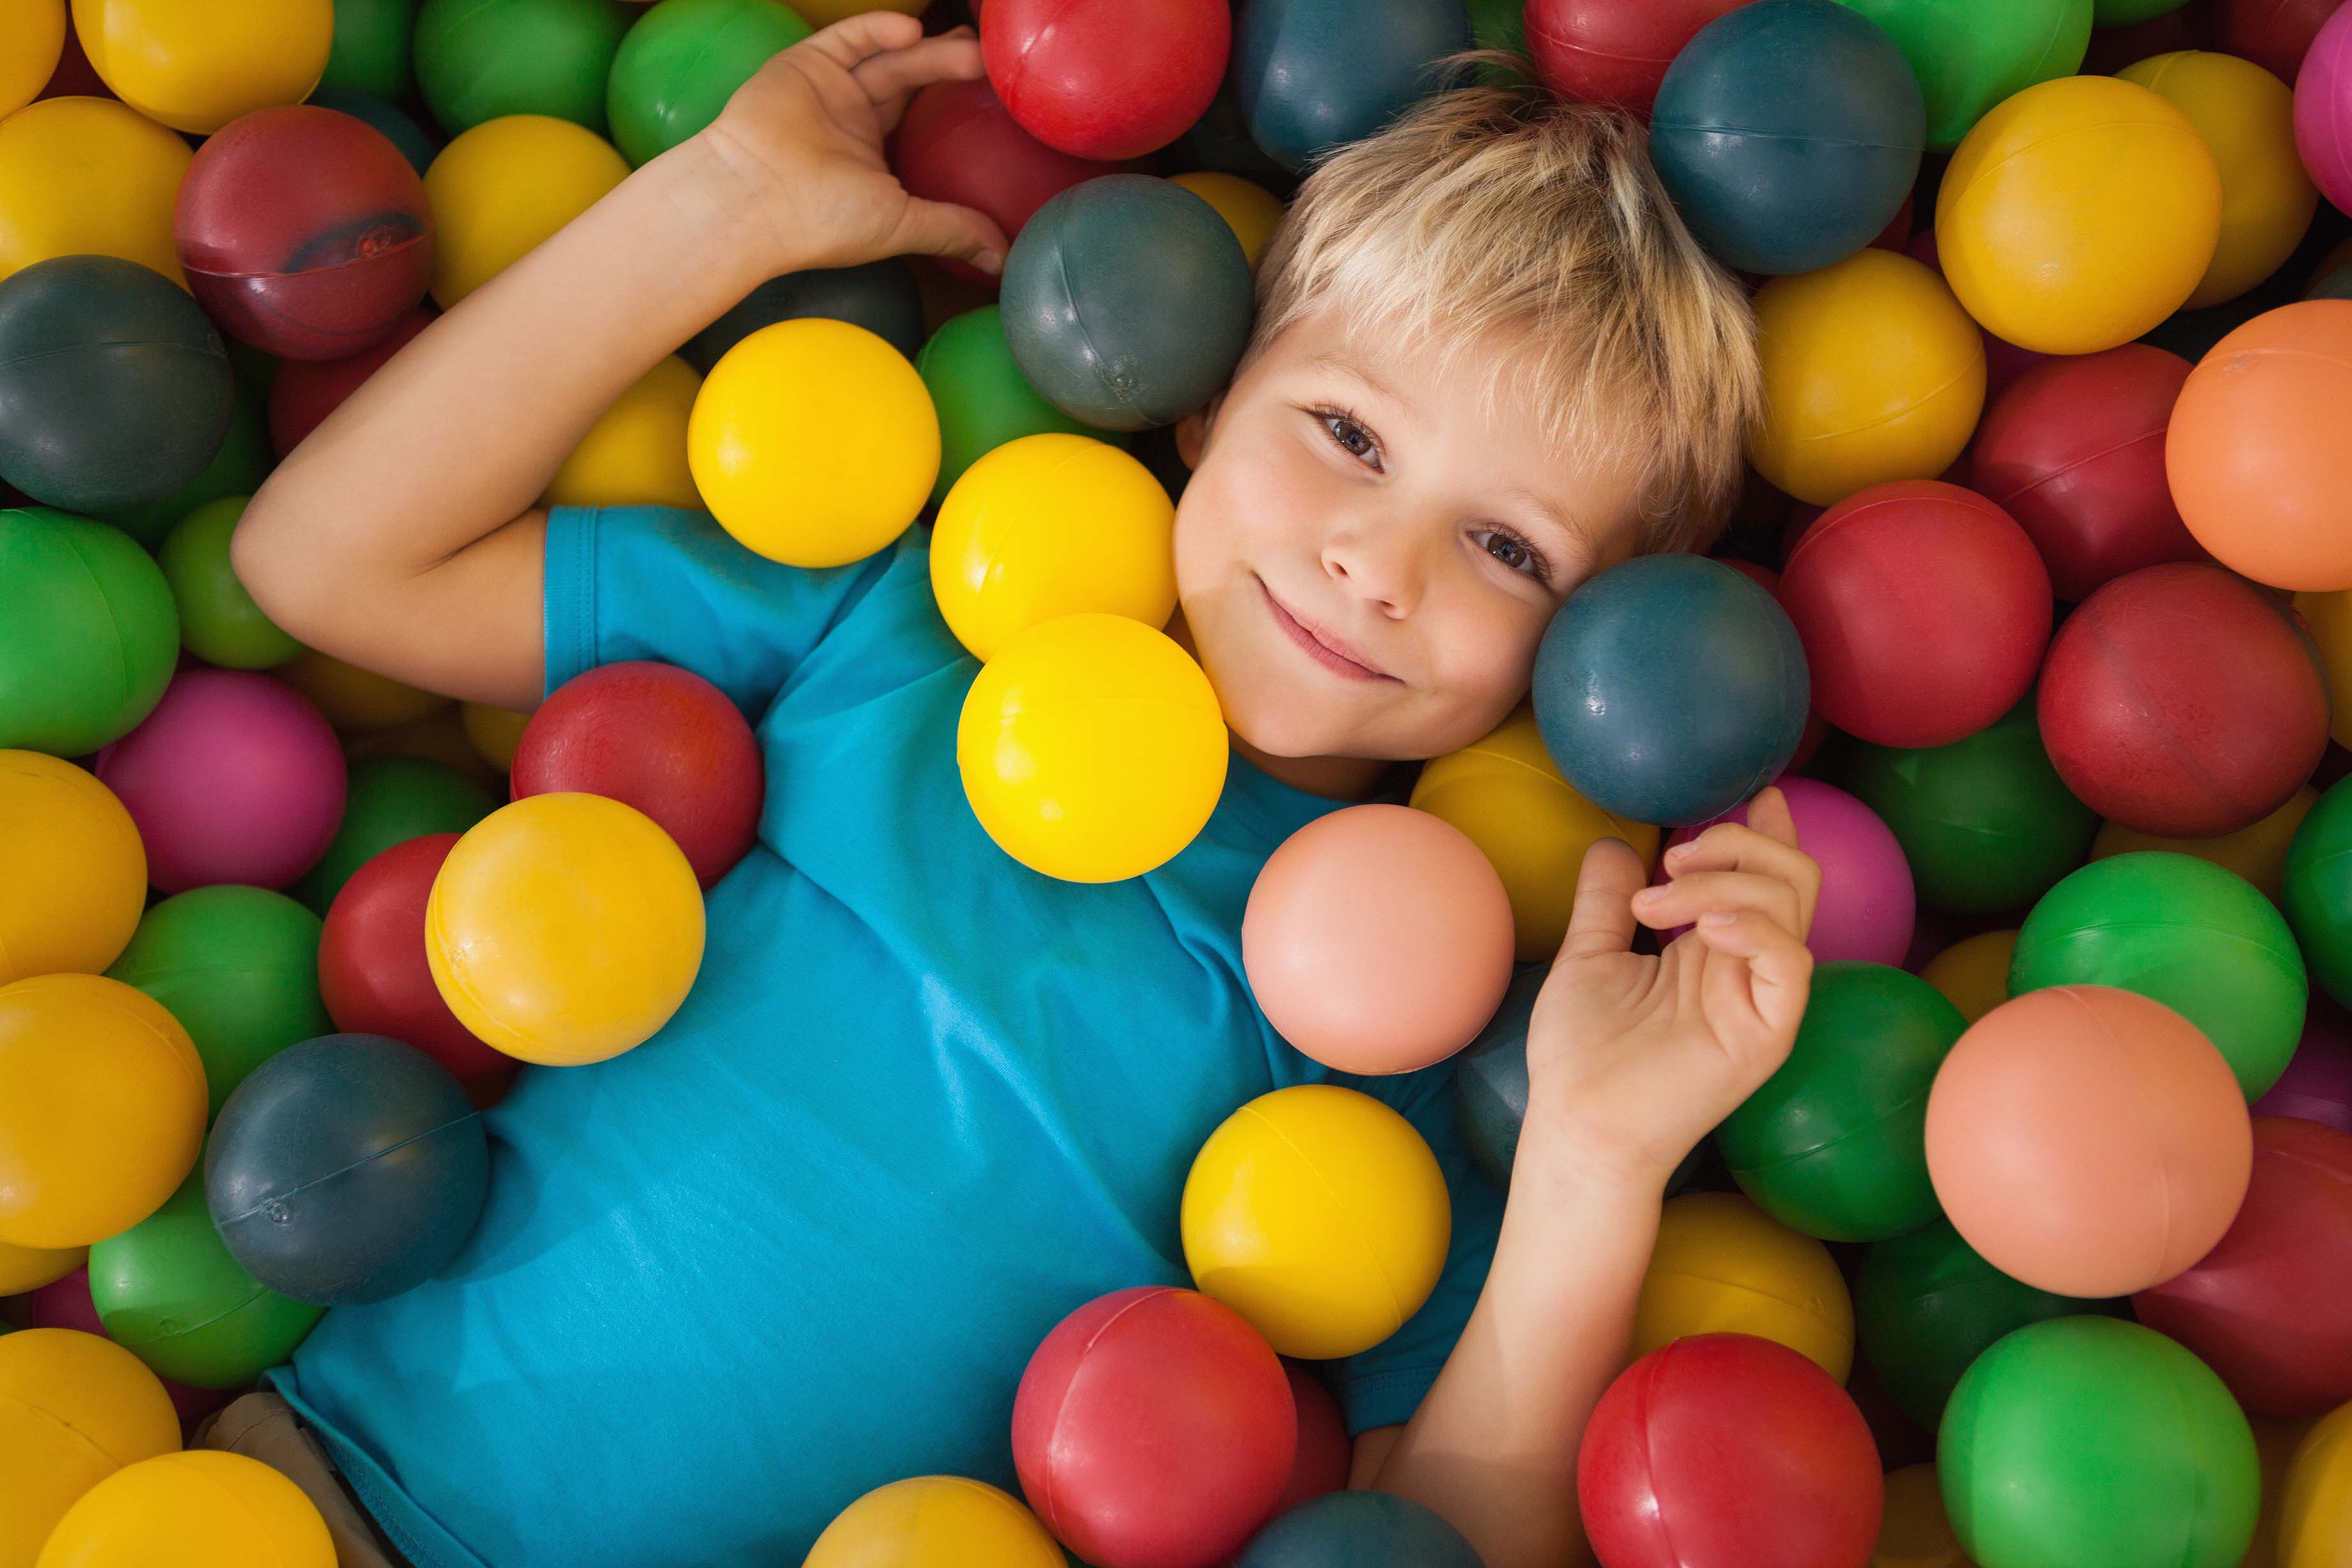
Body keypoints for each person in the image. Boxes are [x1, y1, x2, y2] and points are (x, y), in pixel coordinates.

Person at [226, 15, 1816, 1568]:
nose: (1373, 563)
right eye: (1344, 432)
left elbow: (1438, 1532)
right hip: (288, 1496)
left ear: (1602, 654)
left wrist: (1594, 1165)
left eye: (1509, 548)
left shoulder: (1419, 1017)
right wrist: (721, 208)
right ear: (1205, 397)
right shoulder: (905, 623)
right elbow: (324, 559)